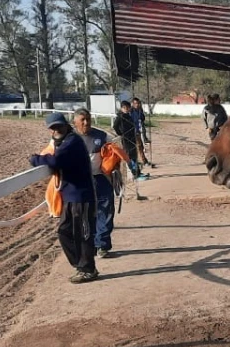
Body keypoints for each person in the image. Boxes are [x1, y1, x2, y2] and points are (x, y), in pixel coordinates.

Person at [30, 112, 99, 284]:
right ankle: (81, 265)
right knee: (64, 231)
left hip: (81, 197)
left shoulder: (72, 142)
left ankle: (87, 269)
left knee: (83, 234)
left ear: (66, 125)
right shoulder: (65, 142)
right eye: (52, 128)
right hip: (70, 196)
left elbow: (54, 162)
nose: (56, 130)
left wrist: (35, 158)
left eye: (58, 126)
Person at [72, 108, 129, 258]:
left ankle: (102, 245)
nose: (86, 122)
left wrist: (115, 164)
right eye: (82, 120)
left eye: (88, 119)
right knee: (84, 214)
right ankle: (88, 244)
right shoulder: (69, 138)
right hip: (80, 182)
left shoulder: (102, 136)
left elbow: (117, 148)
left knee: (105, 210)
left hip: (100, 179)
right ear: (75, 122)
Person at [113, 101, 146, 180]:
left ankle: (137, 172)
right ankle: (134, 173)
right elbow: (115, 126)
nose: (126, 109)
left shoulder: (129, 116)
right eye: (124, 108)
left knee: (134, 155)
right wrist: (120, 133)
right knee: (129, 156)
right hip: (126, 139)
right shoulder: (120, 117)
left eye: (128, 107)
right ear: (121, 108)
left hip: (132, 137)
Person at [130, 98, 152, 168]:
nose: (137, 105)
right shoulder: (131, 111)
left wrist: (141, 111)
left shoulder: (139, 110)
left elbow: (142, 119)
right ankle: (139, 162)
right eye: (135, 103)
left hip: (138, 131)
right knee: (136, 147)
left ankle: (143, 161)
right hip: (132, 132)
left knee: (140, 146)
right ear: (132, 104)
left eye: (138, 103)